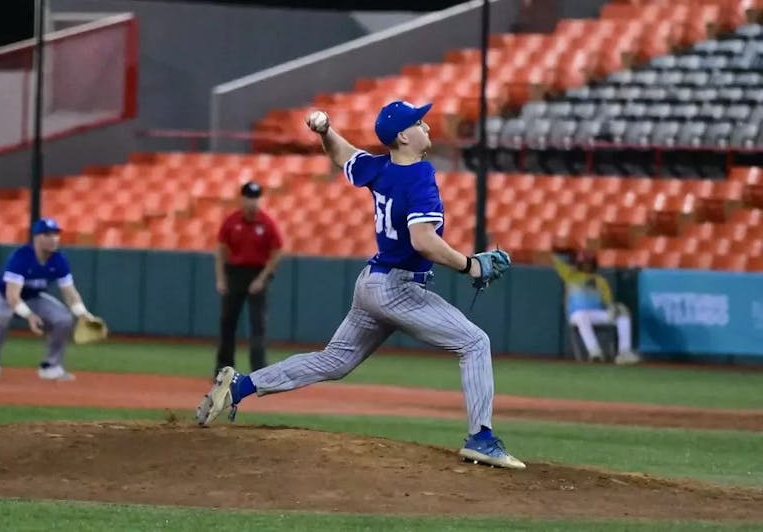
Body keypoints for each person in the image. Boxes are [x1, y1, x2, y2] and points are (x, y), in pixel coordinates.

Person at [196, 101, 526, 470]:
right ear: (403, 136)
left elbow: (343, 155)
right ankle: (481, 437)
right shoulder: (419, 175)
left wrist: (325, 131)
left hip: (372, 284)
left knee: (334, 361)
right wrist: (470, 266)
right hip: (399, 288)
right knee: (475, 342)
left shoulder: (380, 167)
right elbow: (423, 241)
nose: (427, 127)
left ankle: (240, 385)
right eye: (419, 122)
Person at [0, 218, 98, 381]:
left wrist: (84, 314)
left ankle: (50, 366)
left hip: (33, 298)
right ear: (36, 237)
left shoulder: (59, 259)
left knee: (63, 318)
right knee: (2, 315)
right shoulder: (21, 257)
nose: (53, 238)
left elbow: (70, 293)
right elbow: (12, 297)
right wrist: (29, 316)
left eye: (55, 234)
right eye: (47, 234)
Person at [214, 181, 283, 377]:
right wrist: (221, 278)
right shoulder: (232, 221)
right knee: (228, 321)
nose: (253, 202)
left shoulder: (266, 223)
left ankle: (259, 371)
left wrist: (262, 278)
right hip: (235, 273)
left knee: (258, 324)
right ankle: (223, 369)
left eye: (256, 198)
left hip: (257, 273)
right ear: (242, 199)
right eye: (249, 198)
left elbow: (277, 251)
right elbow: (220, 249)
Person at [551, 249, 641, 365]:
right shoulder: (570, 276)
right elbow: (555, 261)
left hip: (595, 313)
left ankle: (624, 352)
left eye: (589, 263)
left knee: (623, 312)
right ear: (578, 264)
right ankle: (595, 352)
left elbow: (608, 301)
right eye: (584, 263)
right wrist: (568, 251)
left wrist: (612, 308)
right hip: (576, 315)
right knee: (581, 316)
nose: (586, 266)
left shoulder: (600, 281)